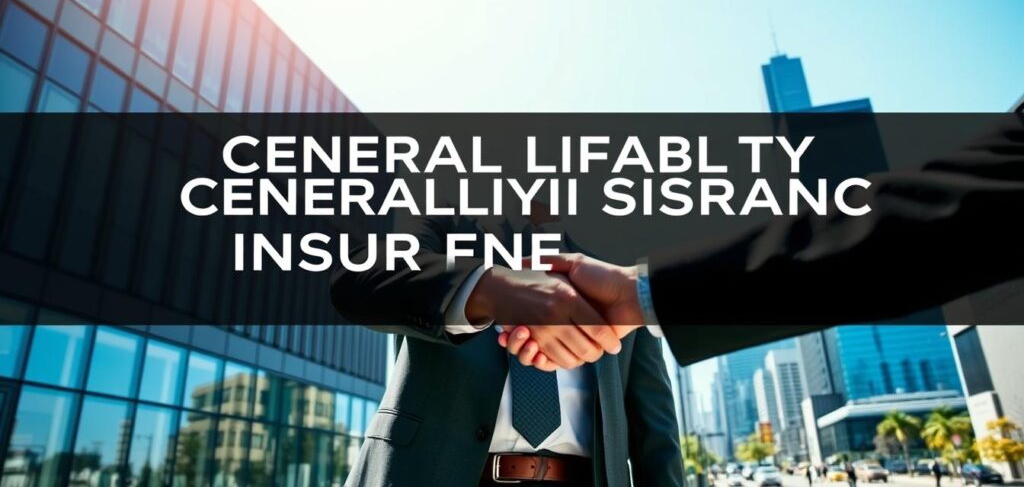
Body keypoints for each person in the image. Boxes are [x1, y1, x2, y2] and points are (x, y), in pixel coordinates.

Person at [494, 115, 1024, 368]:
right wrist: (643, 293)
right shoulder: (459, 238)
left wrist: (643, 293)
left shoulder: (592, 264)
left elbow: (965, 208)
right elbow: (968, 211)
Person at [330, 208, 684, 487]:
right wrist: (490, 290)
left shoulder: (615, 267)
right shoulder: (446, 225)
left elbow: (655, 427)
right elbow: (357, 276)